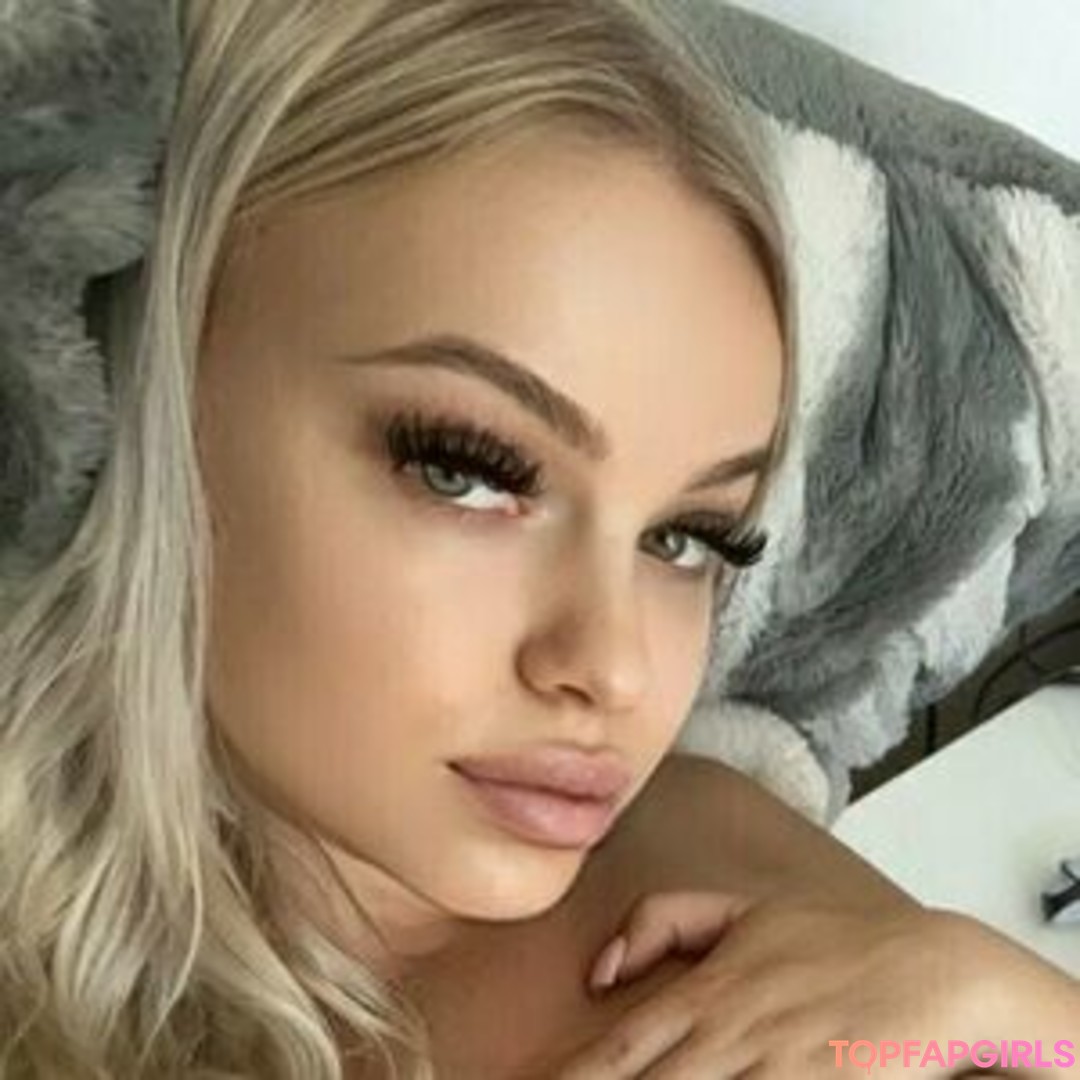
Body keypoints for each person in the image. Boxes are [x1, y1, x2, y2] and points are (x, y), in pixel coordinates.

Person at [1, 1, 1077, 1078]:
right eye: (467, 471)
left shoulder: (702, 850)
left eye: (690, 537)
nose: (615, 670)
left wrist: (1021, 1008)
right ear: (144, 391)